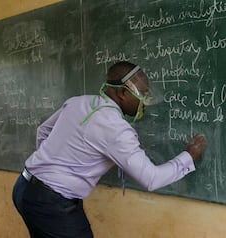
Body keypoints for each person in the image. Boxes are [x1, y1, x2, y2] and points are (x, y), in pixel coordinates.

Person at [12, 61, 206, 238]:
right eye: (142, 95)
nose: (144, 103)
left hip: (24, 187)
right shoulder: (115, 128)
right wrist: (188, 156)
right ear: (122, 93)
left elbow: (43, 130)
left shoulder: (78, 102)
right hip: (52, 202)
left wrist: (49, 165)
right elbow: (151, 179)